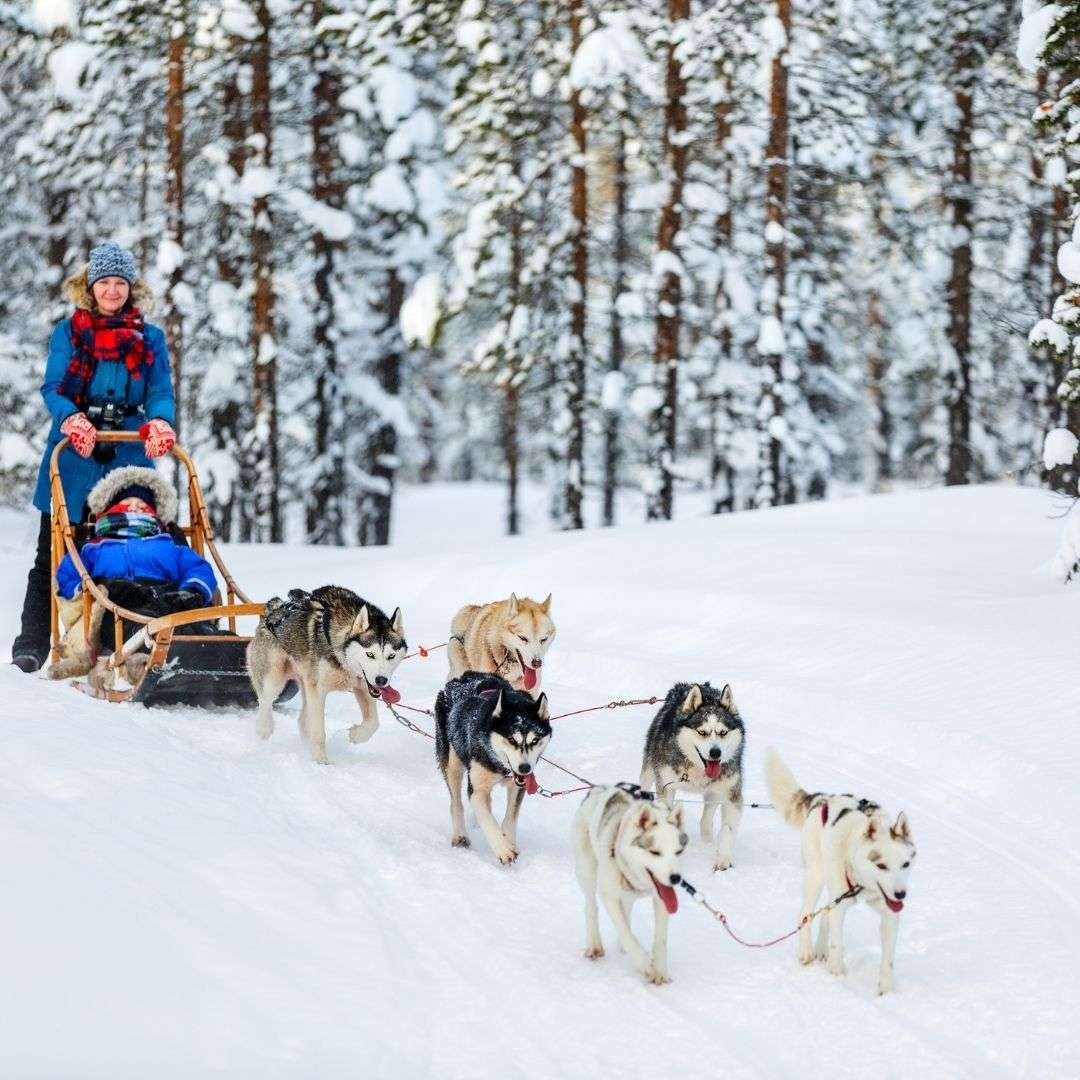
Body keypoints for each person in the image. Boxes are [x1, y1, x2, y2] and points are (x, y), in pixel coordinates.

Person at [11, 241, 177, 673]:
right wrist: (72, 418)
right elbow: (54, 388)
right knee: (54, 549)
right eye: (104, 282)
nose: (112, 290)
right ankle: (32, 643)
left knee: (131, 544)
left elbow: (159, 391)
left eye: (119, 283)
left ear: (131, 287)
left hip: (127, 451)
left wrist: (160, 421)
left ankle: (125, 638)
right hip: (74, 455)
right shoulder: (70, 332)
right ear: (90, 286)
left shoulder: (150, 338)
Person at [49, 467, 217, 683]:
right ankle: (147, 662)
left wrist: (191, 590)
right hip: (118, 605)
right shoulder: (93, 548)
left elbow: (198, 568)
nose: (135, 509)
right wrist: (96, 587)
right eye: (127, 504)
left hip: (167, 598)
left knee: (194, 627)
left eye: (143, 507)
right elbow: (67, 577)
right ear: (110, 510)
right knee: (138, 628)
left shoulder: (167, 543)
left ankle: (227, 654)